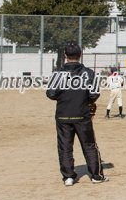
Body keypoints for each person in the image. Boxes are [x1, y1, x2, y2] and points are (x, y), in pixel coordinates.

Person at [46, 43, 108, 185]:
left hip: (63, 115)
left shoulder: (58, 73)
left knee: (65, 146)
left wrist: (65, 96)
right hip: (82, 114)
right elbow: (94, 94)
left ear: (65, 56)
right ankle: (96, 176)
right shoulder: (88, 73)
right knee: (89, 145)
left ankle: (68, 176)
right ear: (80, 55)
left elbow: (50, 93)